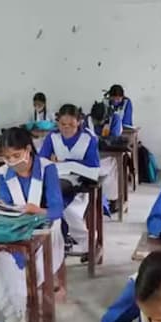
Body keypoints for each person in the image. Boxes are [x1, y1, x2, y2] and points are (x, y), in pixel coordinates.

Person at [0, 127, 65, 322]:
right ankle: (12, 317)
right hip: (17, 228)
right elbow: (6, 207)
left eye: (16, 155)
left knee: (29, 263)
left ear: (28, 150)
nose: (12, 161)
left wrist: (36, 211)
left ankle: (27, 314)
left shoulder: (47, 169)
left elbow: (57, 210)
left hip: (46, 227)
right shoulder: (4, 173)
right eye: (7, 157)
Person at [39, 104, 100, 254]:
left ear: (79, 122)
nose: (66, 128)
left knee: (63, 206)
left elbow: (93, 166)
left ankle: (83, 241)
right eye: (62, 124)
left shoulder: (88, 138)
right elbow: (42, 161)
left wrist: (66, 162)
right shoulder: (52, 137)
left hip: (80, 184)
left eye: (71, 125)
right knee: (47, 198)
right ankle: (56, 240)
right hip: (57, 178)